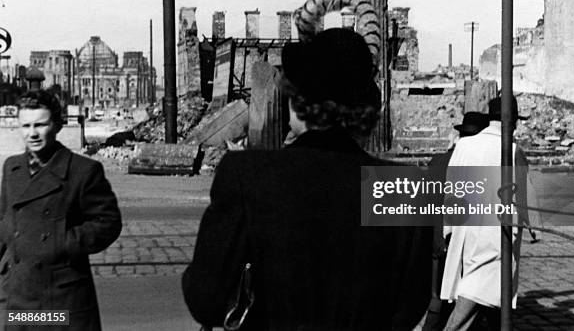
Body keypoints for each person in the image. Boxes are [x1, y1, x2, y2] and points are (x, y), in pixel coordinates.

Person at [182, 28, 433, 331]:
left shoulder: (247, 175)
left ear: (297, 106)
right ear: (367, 110)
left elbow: (206, 300)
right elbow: (411, 304)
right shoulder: (402, 186)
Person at [0, 90, 122, 331]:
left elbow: (107, 223)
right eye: (26, 125)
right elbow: (4, 218)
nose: (32, 133)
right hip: (18, 291)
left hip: (61, 294)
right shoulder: (12, 168)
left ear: (56, 125)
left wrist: (60, 243)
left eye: (40, 125)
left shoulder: (83, 171)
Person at [440, 96, 531, 331]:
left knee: (480, 294)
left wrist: (449, 229)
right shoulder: (512, 151)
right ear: (512, 122)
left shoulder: (464, 145)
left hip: (466, 232)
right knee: (476, 294)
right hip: (497, 235)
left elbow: (452, 191)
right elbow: (523, 199)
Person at [422, 112, 490, 331]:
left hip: (438, 236)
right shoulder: (477, 164)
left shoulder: (438, 161)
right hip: (465, 238)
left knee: (437, 296)